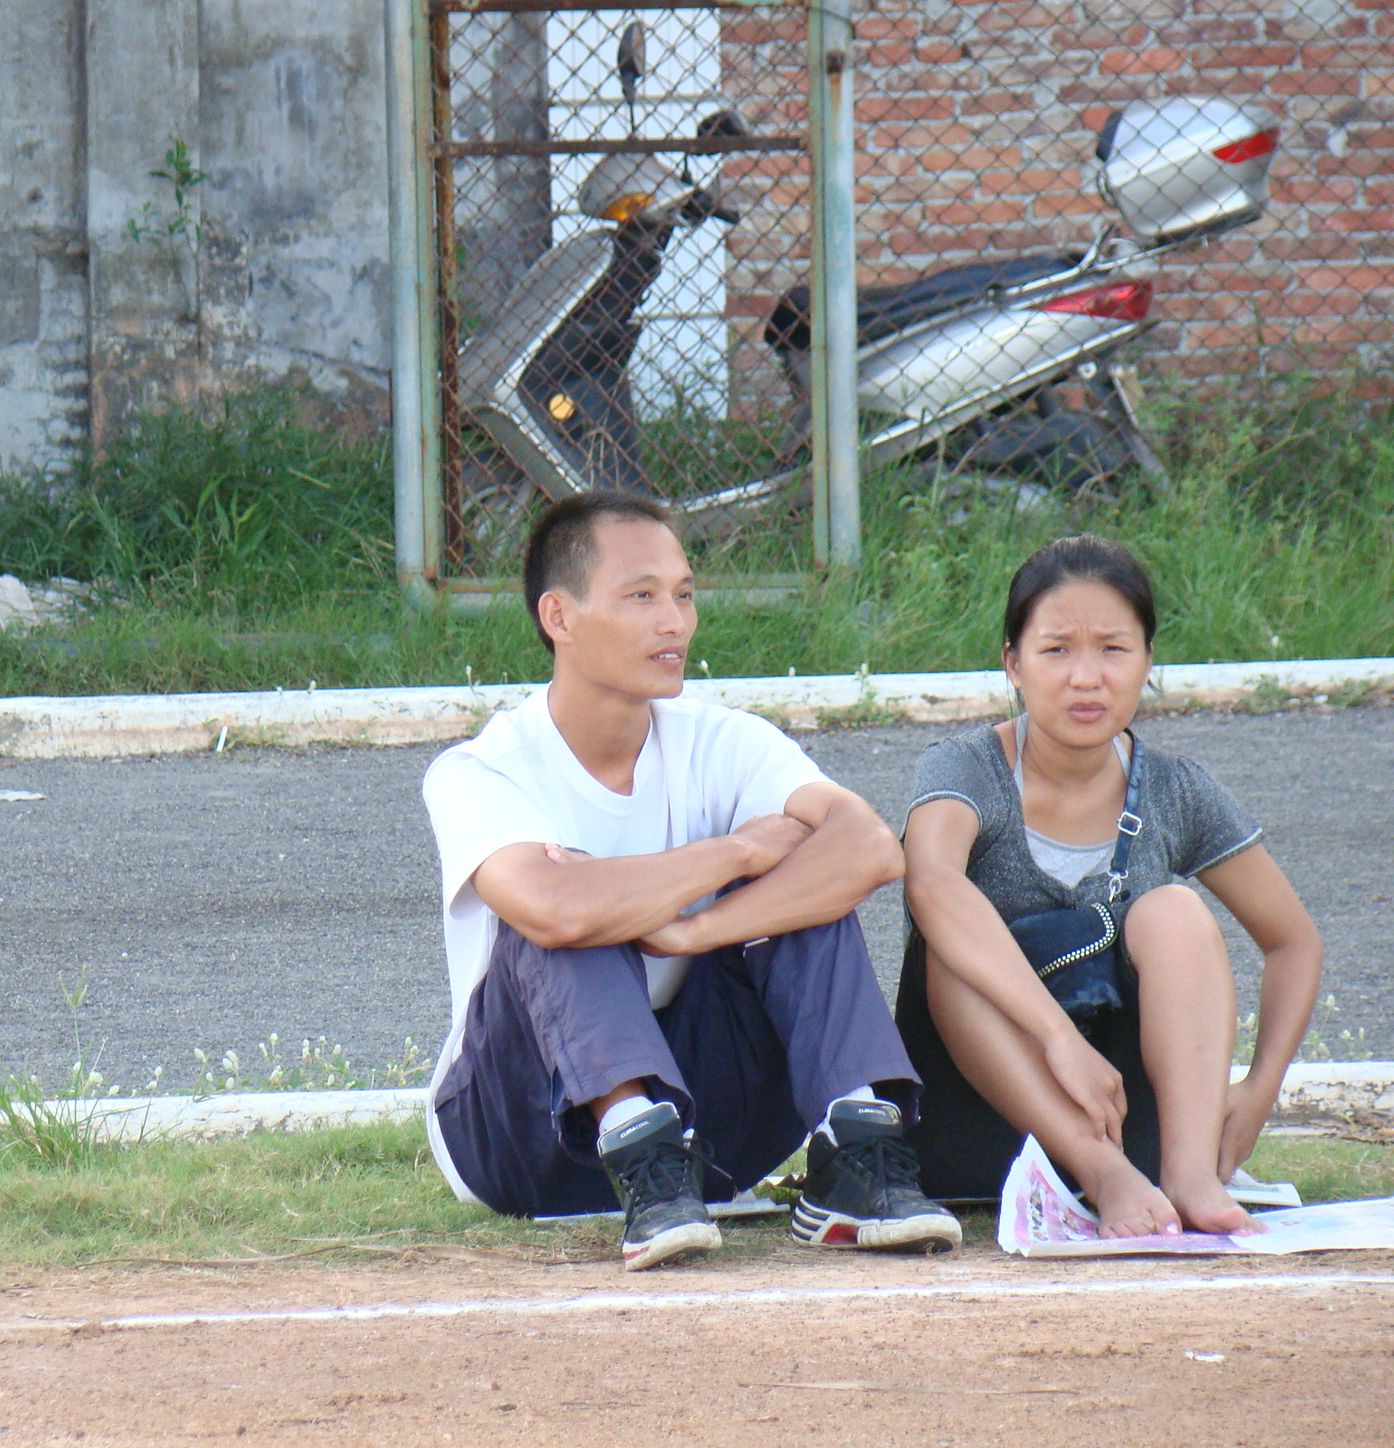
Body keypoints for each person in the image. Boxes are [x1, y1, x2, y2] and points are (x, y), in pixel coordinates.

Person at [421, 490, 960, 1269]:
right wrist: (735, 853)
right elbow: (554, 909)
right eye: (641, 597)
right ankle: (634, 1137)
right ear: (559, 617)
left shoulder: (722, 740)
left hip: (710, 1133)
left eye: (684, 595)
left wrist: (693, 929)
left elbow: (870, 849)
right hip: (522, 1134)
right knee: (568, 910)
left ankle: (855, 1147)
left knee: (803, 883)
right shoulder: (481, 771)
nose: (674, 622)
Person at [898, 534, 1324, 1236]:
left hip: (1126, 1118)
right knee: (953, 939)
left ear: (1148, 662)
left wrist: (1258, 1089)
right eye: (1056, 650)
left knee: (1174, 912)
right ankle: (1104, 1177)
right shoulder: (963, 766)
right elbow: (932, 886)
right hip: (980, 1121)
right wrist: (1057, 1038)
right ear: (1013, 663)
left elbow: (1294, 943)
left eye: (1114, 649)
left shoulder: (1178, 791)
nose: (1086, 677)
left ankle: (1189, 1174)